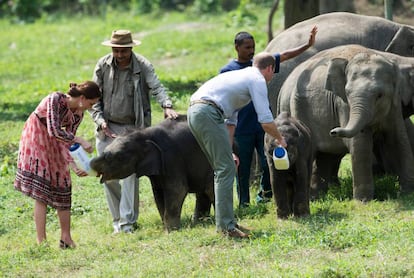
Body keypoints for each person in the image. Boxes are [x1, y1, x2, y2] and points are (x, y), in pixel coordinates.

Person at [187, 52, 287, 239]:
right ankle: (226, 227)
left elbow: (230, 122)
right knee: (225, 170)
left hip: (196, 111)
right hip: (207, 112)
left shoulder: (240, 77)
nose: (271, 78)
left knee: (224, 167)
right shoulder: (256, 79)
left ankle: (226, 221)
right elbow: (265, 120)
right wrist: (280, 139)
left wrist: (229, 150)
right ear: (269, 68)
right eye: (273, 73)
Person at [90, 30, 179, 234]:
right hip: (108, 127)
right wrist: (100, 120)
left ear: (131, 48)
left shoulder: (142, 65)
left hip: (132, 130)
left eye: (123, 51)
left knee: (128, 174)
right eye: (116, 50)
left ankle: (127, 223)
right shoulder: (103, 65)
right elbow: (93, 97)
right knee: (107, 175)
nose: (119, 55)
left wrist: (166, 105)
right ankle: (117, 221)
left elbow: (157, 86)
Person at [219, 27, 317, 207]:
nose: (251, 51)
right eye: (247, 47)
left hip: (265, 127)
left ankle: (264, 196)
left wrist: (307, 45)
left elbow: (285, 55)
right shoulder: (228, 70)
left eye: (253, 47)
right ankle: (244, 203)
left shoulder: (259, 65)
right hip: (241, 127)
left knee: (269, 163)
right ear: (237, 47)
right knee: (243, 168)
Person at [14, 81, 102, 249]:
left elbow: (66, 141)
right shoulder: (55, 99)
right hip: (37, 137)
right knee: (42, 190)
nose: (90, 108)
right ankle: (42, 242)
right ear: (82, 98)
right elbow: (54, 130)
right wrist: (80, 140)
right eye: (91, 103)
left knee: (64, 184)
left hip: (57, 143)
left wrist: (75, 165)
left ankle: (66, 238)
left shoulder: (78, 114)